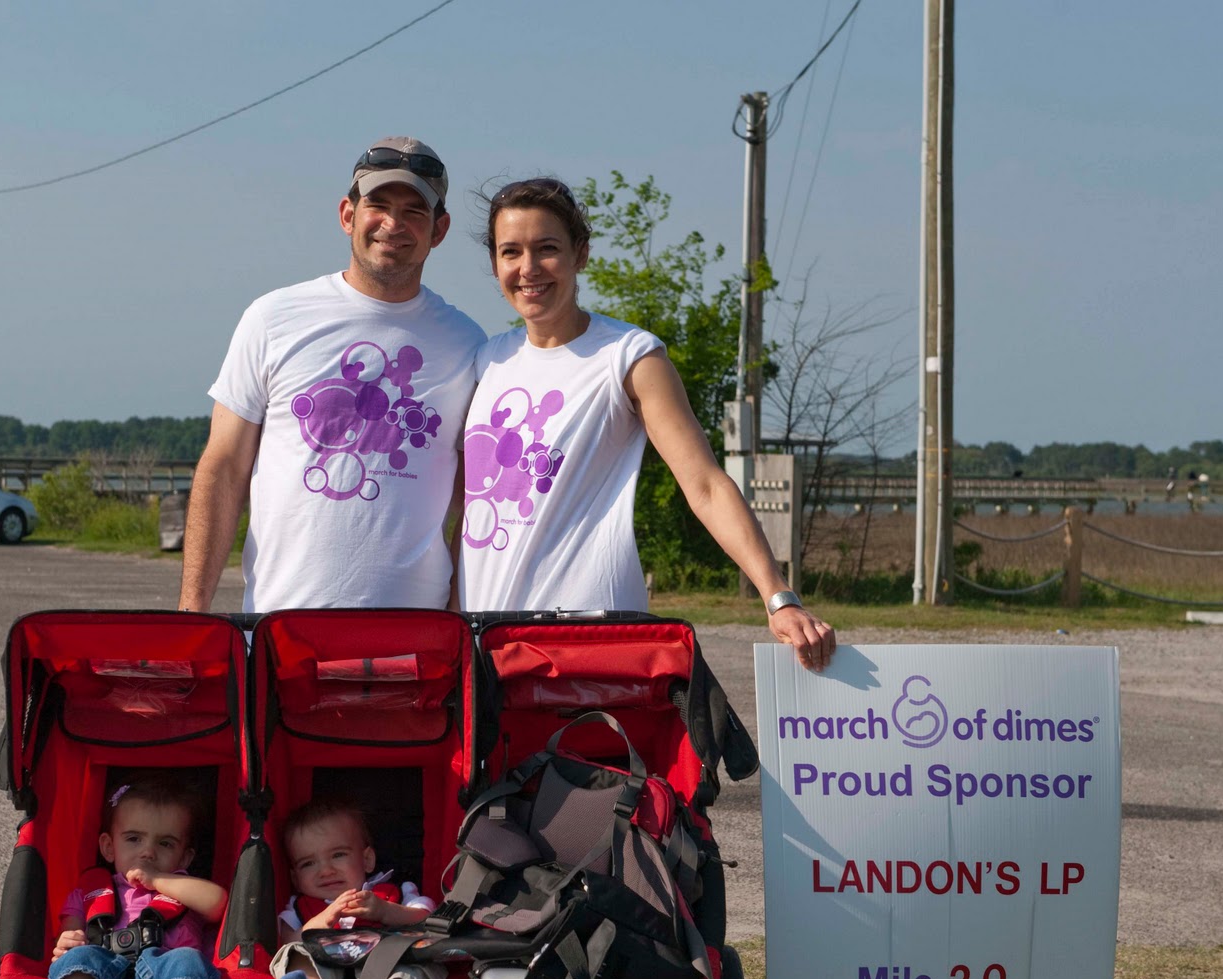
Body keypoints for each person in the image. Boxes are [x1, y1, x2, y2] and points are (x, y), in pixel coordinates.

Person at [458, 178, 836, 671]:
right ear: (494, 264)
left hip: (588, 640)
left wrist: (778, 597)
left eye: (546, 248)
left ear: (580, 254)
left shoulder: (628, 356)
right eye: (511, 251)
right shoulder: (486, 360)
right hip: (485, 641)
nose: (528, 268)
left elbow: (705, 485)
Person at [179, 136, 486, 613]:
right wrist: (191, 612)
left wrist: (455, 612)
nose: (393, 225)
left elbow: (474, 498)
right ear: (347, 214)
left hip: (418, 636)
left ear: (439, 230)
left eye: (414, 212)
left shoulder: (467, 344)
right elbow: (224, 466)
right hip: (282, 628)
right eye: (378, 206)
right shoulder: (272, 318)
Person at [31, 774, 228, 979]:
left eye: (165, 843)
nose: (148, 852)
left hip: (164, 965)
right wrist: (68, 940)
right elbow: (69, 933)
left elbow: (218, 902)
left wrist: (158, 880)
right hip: (102, 964)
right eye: (134, 839)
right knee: (77, 961)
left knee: (189, 960)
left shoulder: (183, 887)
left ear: (185, 858)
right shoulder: (91, 890)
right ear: (109, 847)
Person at [270, 798, 445, 979]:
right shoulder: (299, 906)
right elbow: (285, 940)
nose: (325, 870)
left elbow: (428, 919)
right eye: (308, 863)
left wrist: (386, 911)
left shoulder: (390, 891)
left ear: (367, 860)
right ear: (295, 877)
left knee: (419, 962)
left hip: (386, 960)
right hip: (325, 959)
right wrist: (318, 923)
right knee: (293, 953)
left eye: (338, 855)